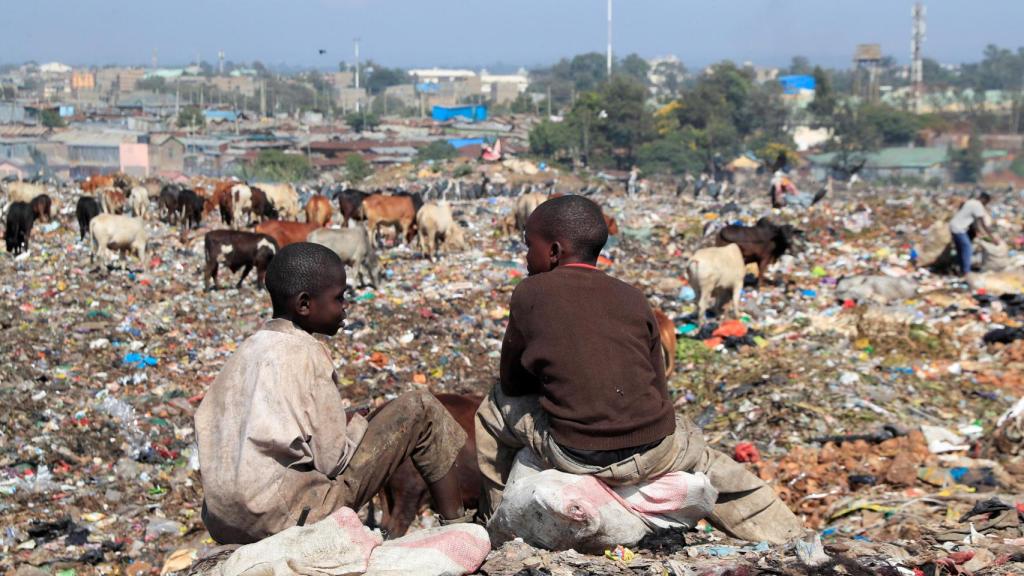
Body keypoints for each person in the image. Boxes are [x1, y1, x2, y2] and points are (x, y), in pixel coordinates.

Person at [475, 195, 804, 544]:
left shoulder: (529, 292)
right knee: (711, 464)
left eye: (529, 246)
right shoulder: (632, 297)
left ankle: (497, 526)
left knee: (491, 409)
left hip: (576, 453)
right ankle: (791, 535)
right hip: (657, 451)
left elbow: (512, 381)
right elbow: (658, 385)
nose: (526, 257)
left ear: (554, 251)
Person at [195, 242, 469, 545]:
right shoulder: (309, 353)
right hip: (281, 517)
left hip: (223, 520)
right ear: (304, 304)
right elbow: (332, 462)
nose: (345, 307)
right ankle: (458, 529)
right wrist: (355, 426)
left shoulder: (245, 352)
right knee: (421, 406)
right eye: (339, 298)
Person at [949, 192, 994, 276]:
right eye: (986, 203)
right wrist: (990, 236)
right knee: (967, 248)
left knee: (960, 250)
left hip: (954, 226)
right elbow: (981, 222)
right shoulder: (978, 205)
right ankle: (966, 272)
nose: (985, 205)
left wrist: (978, 231)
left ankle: (960, 269)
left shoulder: (971, 201)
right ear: (984, 200)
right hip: (959, 229)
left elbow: (972, 220)